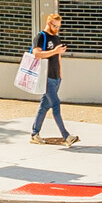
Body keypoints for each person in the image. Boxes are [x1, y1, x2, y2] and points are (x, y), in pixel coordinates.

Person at [28, 11, 78, 145]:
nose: (56, 29)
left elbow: (58, 57)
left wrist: (60, 74)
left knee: (44, 106)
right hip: (46, 77)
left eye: (58, 27)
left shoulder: (56, 38)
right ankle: (66, 136)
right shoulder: (41, 36)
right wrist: (55, 51)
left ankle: (35, 134)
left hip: (56, 77)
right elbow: (37, 54)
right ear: (48, 23)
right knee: (56, 104)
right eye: (55, 26)